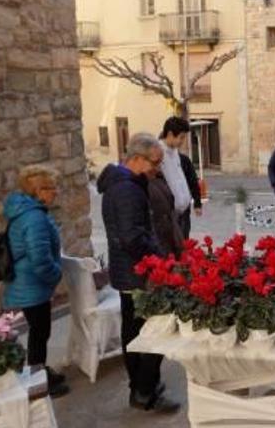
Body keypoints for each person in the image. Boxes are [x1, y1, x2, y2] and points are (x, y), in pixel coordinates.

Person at [97, 133, 179, 413]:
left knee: (134, 331)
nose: (157, 169)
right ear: (135, 159)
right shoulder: (126, 190)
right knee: (154, 332)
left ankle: (142, 389)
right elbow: (133, 238)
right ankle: (145, 391)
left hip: (129, 271)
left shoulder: (126, 184)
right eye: (154, 163)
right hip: (138, 273)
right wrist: (159, 262)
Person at [2, 165, 69, 398]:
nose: (56, 192)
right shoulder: (34, 217)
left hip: (28, 283)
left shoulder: (26, 210)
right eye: (52, 188)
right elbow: (39, 257)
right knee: (40, 333)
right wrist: (55, 274)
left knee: (39, 332)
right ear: (39, 191)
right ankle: (38, 381)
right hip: (32, 285)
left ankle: (39, 372)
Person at [158, 117, 194, 241]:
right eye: (181, 137)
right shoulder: (158, 154)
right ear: (169, 134)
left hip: (183, 213)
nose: (183, 141)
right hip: (171, 215)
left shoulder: (175, 152)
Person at [149, 150, 185, 257]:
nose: (159, 167)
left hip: (171, 239)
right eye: (155, 163)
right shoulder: (142, 185)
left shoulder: (159, 179)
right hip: (160, 246)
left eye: (161, 163)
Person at [179, 152, 202, 239]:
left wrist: (197, 203)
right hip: (164, 208)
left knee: (183, 234)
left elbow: (193, 182)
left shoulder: (184, 160)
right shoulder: (159, 161)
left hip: (183, 205)